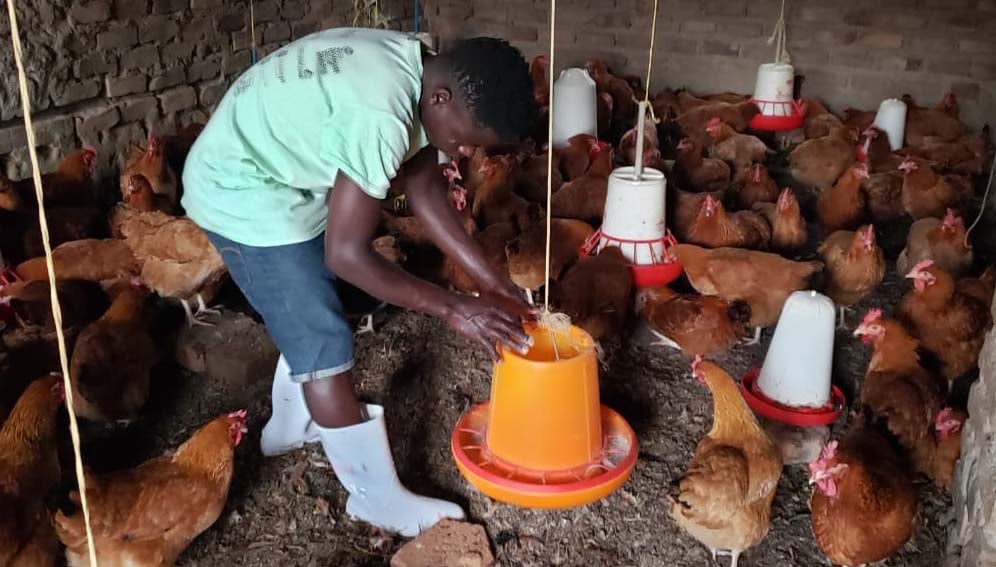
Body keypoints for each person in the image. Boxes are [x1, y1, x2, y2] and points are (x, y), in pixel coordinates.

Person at [181, 28, 536, 536]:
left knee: (311, 304)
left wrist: (489, 282)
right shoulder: (381, 114)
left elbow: (423, 187)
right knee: (324, 340)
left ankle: (288, 425)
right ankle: (375, 498)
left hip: (275, 175)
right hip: (240, 189)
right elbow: (347, 255)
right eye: (464, 140)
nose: (461, 152)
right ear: (442, 99)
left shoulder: (417, 67)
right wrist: (455, 307)